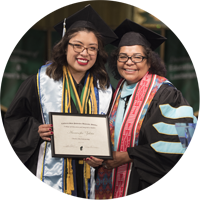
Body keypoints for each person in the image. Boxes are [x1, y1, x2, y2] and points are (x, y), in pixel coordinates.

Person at [4, 5, 117, 200]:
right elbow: (14, 119)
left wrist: (103, 155)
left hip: (89, 175)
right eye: (77, 45)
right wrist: (36, 129)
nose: (85, 53)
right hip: (48, 171)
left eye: (92, 48)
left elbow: (112, 129)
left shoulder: (105, 88)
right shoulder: (39, 82)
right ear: (65, 46)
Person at [85, 19, 197, 200]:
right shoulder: (115, 92)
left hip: (148, 186)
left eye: (137, 57)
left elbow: (187, 142)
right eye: (123, 57)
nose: (129, 62)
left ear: (149, 61)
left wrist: (128, 156)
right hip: (110, 183)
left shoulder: (165, 93)